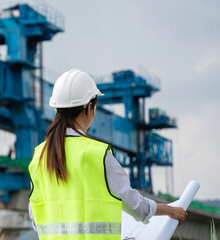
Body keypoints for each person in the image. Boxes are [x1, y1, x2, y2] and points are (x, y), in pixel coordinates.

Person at [28, 69, 187, 239]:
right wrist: (170, 210)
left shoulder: (39, 157)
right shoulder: (97, 154)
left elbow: (35, 218)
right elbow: (135, 205)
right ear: (90, 107)